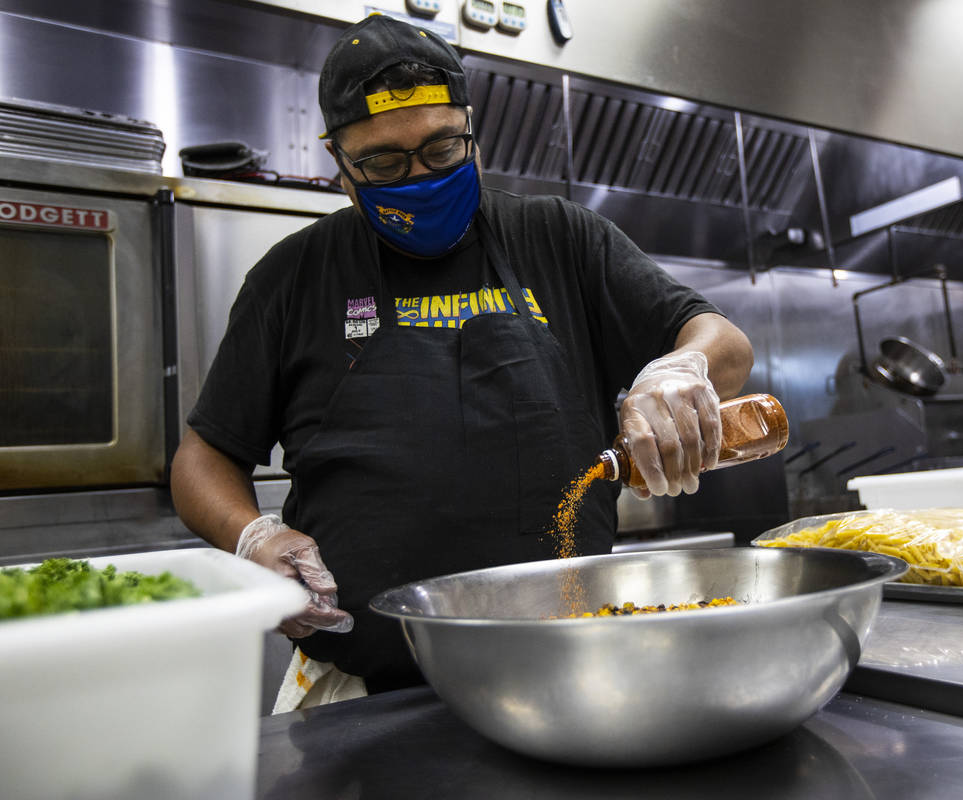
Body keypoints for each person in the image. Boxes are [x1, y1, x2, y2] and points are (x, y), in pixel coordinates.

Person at [170, 14, 753, 709]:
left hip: (573, 668)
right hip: (360, 688)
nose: (418, 176)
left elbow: (723, 342)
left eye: (442, 148)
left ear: (472, 131)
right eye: (384, 163)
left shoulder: (560, 238)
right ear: (339, 161)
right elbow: (202, 458)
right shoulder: (293, 277)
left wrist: (680, 369)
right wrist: (255, 535)